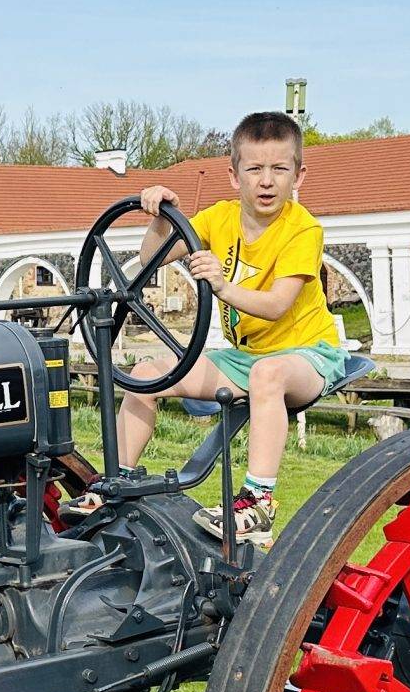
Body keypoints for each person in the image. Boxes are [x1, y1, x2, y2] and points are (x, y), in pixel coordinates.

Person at [103, 109, 346, 542]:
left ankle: (258, 504)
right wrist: (162, 214)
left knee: (267, 374)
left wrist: (220, 284)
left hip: (307, 356)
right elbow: (150, 259)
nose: (266, 181)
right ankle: (117, 485)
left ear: (299, 176)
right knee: (144, 374)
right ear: (235, 176)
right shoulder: (220, 217)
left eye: (279, 169)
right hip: (245, 358)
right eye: (254, 169)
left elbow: (275, 305)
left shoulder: (302, 230)